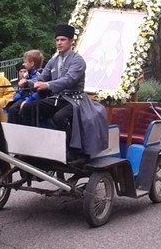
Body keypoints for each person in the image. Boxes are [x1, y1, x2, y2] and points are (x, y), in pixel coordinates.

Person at [18, 24, 108, 158]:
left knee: (59, 117)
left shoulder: (78, 60)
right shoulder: (53, 60)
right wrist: (27, 82)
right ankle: (33, 147)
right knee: (28, 108)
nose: (59, 43)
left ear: (71, 41)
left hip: (75, 100)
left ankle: (72, 150)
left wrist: (47, 85)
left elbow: (69, 79)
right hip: (57, 98)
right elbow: (41, 78)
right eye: (57, 40)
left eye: (63, 39)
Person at [6, 49, 44, 123]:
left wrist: (27, 101)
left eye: (26, 62)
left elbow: (38, 93)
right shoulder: (27, 75)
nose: (24, 64)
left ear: (32, 63)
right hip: (25, 97)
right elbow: (21, 90)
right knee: (10, 107)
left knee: (15, 110)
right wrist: (14, 98)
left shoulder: (39, 75)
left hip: (33, 99)